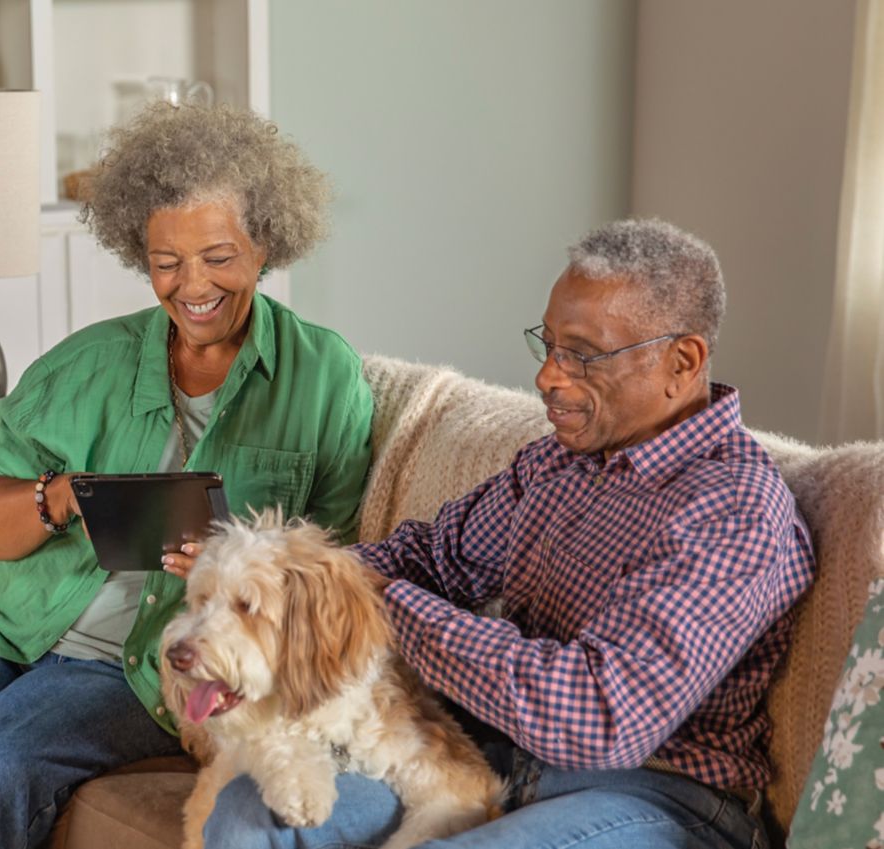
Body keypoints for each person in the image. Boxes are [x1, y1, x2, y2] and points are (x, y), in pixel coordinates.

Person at [0, 102, 375, 849]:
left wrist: (233, 572)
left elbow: (340, 568)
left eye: (218, 256)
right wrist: (56, 497)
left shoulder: (325, 378)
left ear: (265, 245)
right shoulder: (85, 361)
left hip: (134, 666)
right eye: (166, 262)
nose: (191, 284)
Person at [170, 219, 816, 849]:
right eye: (549, 345)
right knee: (248, 819)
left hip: (652, 793)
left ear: (682, 360)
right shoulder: (555, 461)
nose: (547, 377)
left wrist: (363, 598)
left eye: (582, 355)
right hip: (489, 747)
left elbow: (597, 716)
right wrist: (291, 580)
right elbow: (429, 557)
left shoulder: (732, 509)